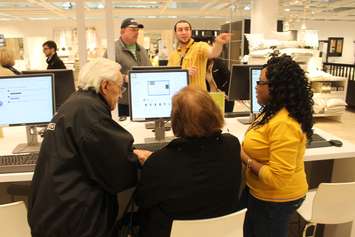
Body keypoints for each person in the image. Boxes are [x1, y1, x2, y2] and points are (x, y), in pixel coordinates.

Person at [28, 58, 143, 237]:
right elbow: (118, 171)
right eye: (120, 87)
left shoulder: (76, 104)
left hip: (53, 215)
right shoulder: (90, 113)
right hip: (76, 223)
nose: (121, 94)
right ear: (105, 85)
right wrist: (137, 158)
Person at [135, 87, 242, 237]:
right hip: (223, 231)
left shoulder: (160, 162)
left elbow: (142, 200)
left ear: (176, 120)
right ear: (215, 112)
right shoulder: (232, 145)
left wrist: (151, 163)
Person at [241, 55, 314, 237]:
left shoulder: (284, 123)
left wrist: (245, 157)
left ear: (277, 88)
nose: (256, 87)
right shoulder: (271, 111)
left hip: (276, 200)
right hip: (260, 193)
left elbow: (278, 179)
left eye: (260, 82)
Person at [168, 20, 230, 90]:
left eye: (187, 29)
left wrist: (219, 43)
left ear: (191, 32)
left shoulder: (200, 46)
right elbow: (169, 76)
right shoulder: (173, 55)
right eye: (180, 30)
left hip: (198, 97)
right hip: (179, 96)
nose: (184, 32)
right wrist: (184, 73)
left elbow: (213, 53)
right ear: (175, 33)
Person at [114, 18, 151, 116]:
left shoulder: (142, 50)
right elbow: (105, 73)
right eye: (132, 30)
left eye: (137, 30)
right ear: (122, 31)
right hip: (124, 102)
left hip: (143, 101)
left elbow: (149, 69)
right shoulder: (113, 50)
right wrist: (124, 77)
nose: (136, 32)